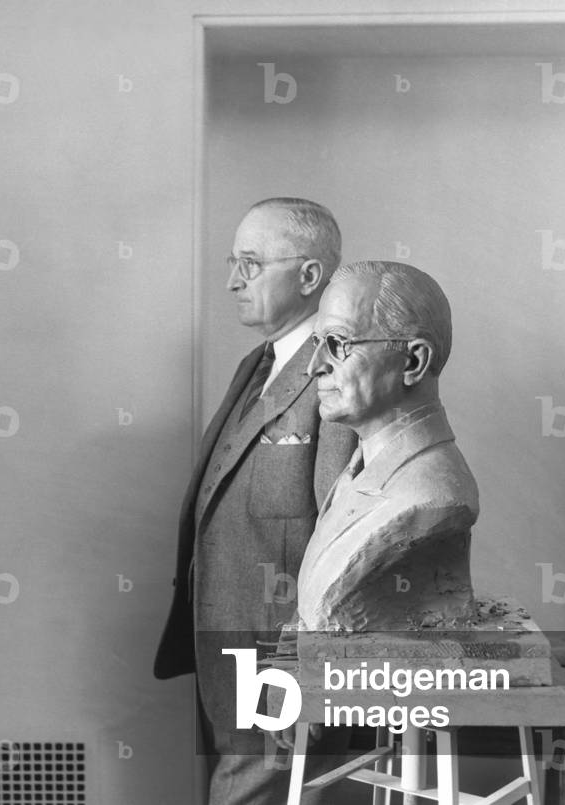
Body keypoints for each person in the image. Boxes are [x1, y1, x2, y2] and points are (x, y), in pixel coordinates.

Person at [154, 198, 356, 804]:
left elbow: (341, 529)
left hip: (279, 647)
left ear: (310, 275)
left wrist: (307, 648)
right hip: (226, 638)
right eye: (231, 261)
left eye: (250, 262)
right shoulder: (259, 363)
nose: (232, 280)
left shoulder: (336, 368)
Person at [296, 259, 478, 634]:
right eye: (317, 343)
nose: (314, 366)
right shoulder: (359, 470)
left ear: (413, 361)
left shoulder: (433, 494)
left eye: (336, 343)